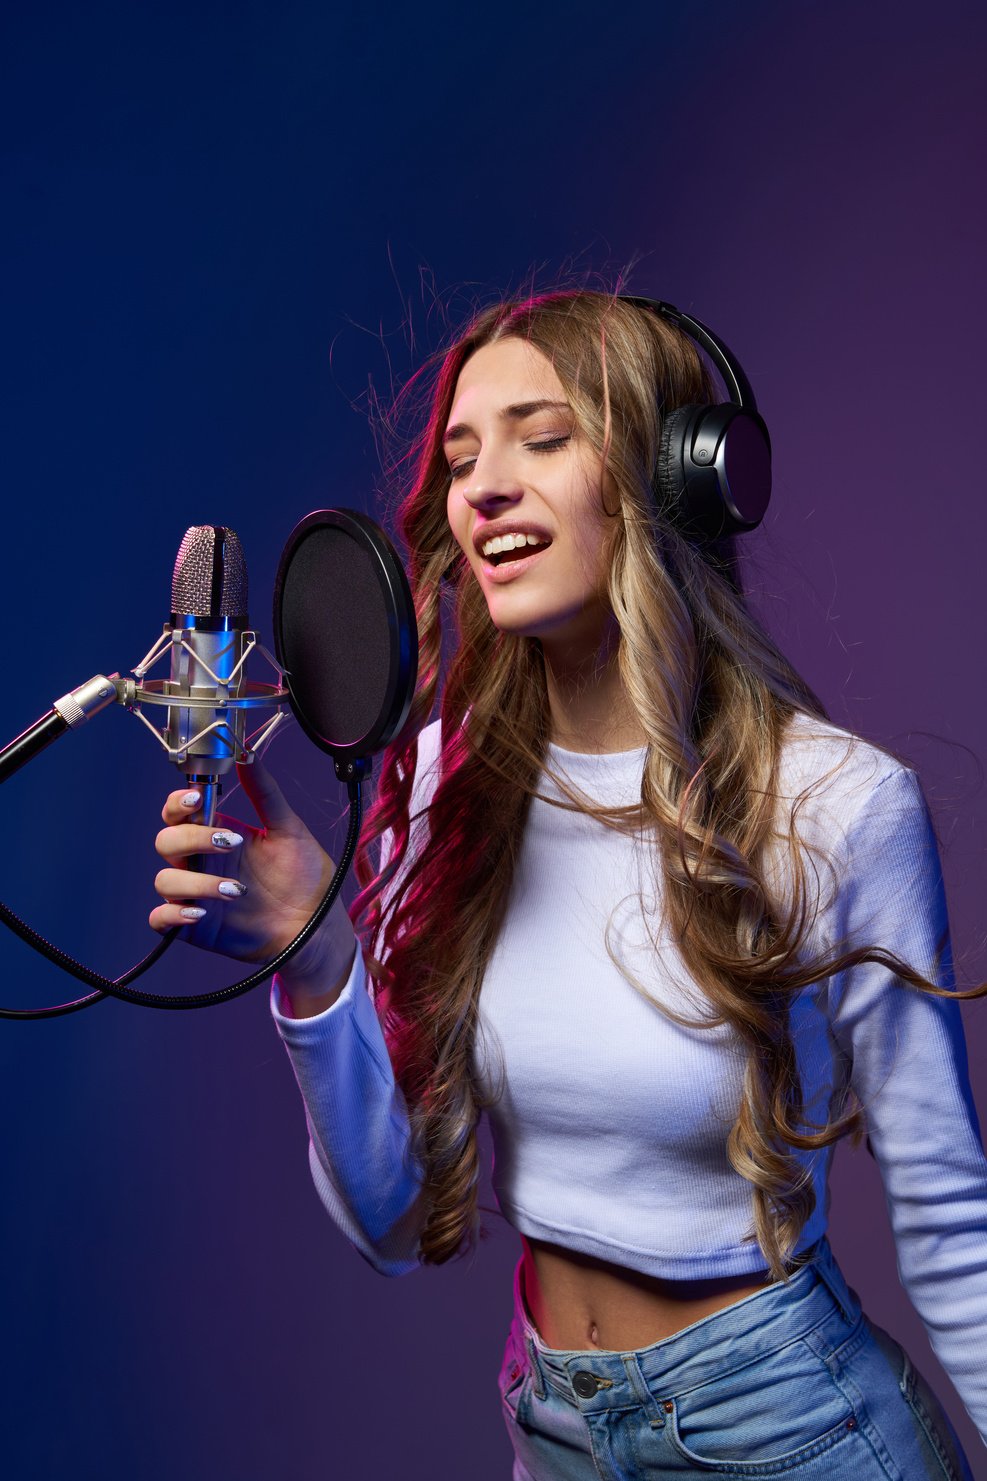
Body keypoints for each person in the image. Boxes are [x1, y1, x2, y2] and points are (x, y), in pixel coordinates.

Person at [149, 290, 986, 1478]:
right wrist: (318, 953)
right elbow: (390, 1223)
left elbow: (951, 1224)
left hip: (793, 1427)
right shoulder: (449, 783)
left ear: (680, 478)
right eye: (461, 456)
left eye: (544, 437)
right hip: (556, 1425)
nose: (484, 484)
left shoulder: (836, 806)